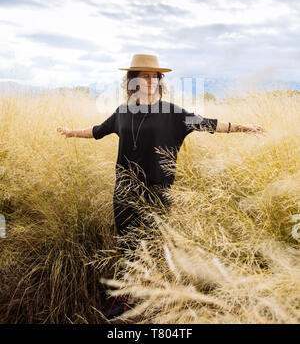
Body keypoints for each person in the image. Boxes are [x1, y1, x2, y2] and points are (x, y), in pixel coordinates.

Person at [57, 54, 266, 319]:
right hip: (124, 193)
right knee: (128, 248)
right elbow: (98, 130)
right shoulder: (122, 112)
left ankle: (156, 302)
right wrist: (71, 132)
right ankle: (126, 301)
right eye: (144, 75)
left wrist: (243, 128)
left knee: (153, 248)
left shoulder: (173, 114)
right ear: (132, 80)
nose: (150, 80)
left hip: (157, 194)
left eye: (154, 76)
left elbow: (209, 124)